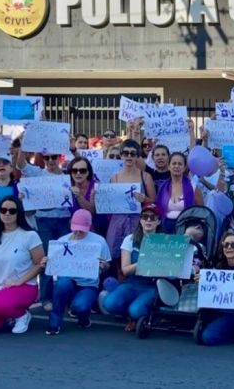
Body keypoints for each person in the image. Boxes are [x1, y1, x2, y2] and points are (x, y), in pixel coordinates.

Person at [0, 196, 46, 335]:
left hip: (24, 286)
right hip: (0, 287)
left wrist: (19, 281)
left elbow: (40, 264)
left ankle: (22, 315)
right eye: (3, 210)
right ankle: (7, 314)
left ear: (19, 213)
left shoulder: (30, 235)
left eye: (12, 211)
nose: (7, 213)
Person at [17, 149, 72, 311]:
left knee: (65, 258)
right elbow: (20, 165)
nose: (50, 160)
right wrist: (22, 145)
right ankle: (46, 297)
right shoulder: (37, 173)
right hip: (44, 221)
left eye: (53, 156)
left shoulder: (67, 174)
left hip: (64, 220)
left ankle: (64, 296)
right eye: (46, 157)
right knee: (46, 259)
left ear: (59, 157)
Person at [46, 209, 111, 335]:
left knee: (80, 306)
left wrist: (104, 266)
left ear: (89, 226)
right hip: (67, 280)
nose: (78, 231)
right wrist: (46, 262)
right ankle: (54, 323)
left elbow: (107, 264)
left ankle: (83, 316)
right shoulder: (62, 240)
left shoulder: (99, 241)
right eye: (76, 227)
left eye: (82, 228)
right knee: (61, 285)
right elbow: (54, 264)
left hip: (88, 284)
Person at [103, 203, 161, 332]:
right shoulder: (130, 239)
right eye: (145, 217)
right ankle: (131, 314)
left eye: (153, 217)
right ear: (140, 220)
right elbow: (125, 270)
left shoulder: (165, 241)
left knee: (136, 310)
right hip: (132, 283)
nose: (148, 220)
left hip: (152, 286)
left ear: (158, 221)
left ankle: (140, 316)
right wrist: (144, 261)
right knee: (109, 304)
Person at [107, 140, 155, 276]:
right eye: (125, 153)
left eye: (132, 154)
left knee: (136, 250)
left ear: (137, 156)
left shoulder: (145, 176)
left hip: (137, 220)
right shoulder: (114, 178)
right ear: (121, 155)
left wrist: (144, 199)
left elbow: (154, 201)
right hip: (118, 220)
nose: (129, 156)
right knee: (115, 254)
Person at [156, 152, 203, 234]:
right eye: (174, 163)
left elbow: (201, 212)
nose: (176, 166)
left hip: (186, 228)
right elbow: (158, 211)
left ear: (184, 168)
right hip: (165, 227)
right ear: (169, 167)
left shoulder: (193, 187)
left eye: (180, 164)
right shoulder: (163, 187)